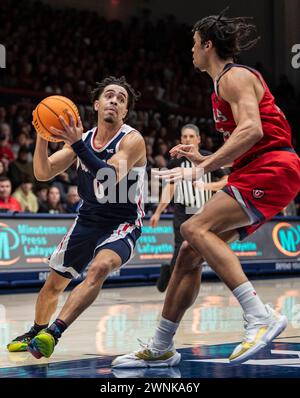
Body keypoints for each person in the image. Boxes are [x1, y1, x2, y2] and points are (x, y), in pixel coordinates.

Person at [112, 10, 300, 368]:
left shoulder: (234, 77)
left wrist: (201, 166)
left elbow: (253, 131)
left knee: (193, 227)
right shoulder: (220, 87)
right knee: (188, 253)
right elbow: (247, 142)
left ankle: (260, 316)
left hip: (273, 167)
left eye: (195, 44)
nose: (192, 51)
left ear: (208, 44)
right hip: (261, 167)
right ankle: (161, 345)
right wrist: (206, 155)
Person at [7, 76, 146, 359]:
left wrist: (76, 145)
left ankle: (53, 332)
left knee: (100, 268)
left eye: (121, 99)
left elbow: (109, 176)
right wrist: (41, 137)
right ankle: (36, 331)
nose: (114, 101)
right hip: (87, 220)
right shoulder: (80, 141)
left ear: (125, 112)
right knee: (52, 285)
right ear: (96, 104)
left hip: (122, 222)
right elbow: (43, 173)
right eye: (109, 95)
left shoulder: (132, 140)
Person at [152, 124, 228, 292]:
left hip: (203, 211)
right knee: (180, 247)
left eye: (191, 136)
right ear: (181, 139)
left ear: (199, 139)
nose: (188, 139)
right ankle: (175, 286)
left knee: (198, 250)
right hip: (182, 210)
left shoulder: (209, 159)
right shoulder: (175, 162)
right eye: (185, 136)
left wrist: (207, 187)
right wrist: (158, 212)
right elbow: (170, 188)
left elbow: (226, 180)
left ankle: (171, 273)